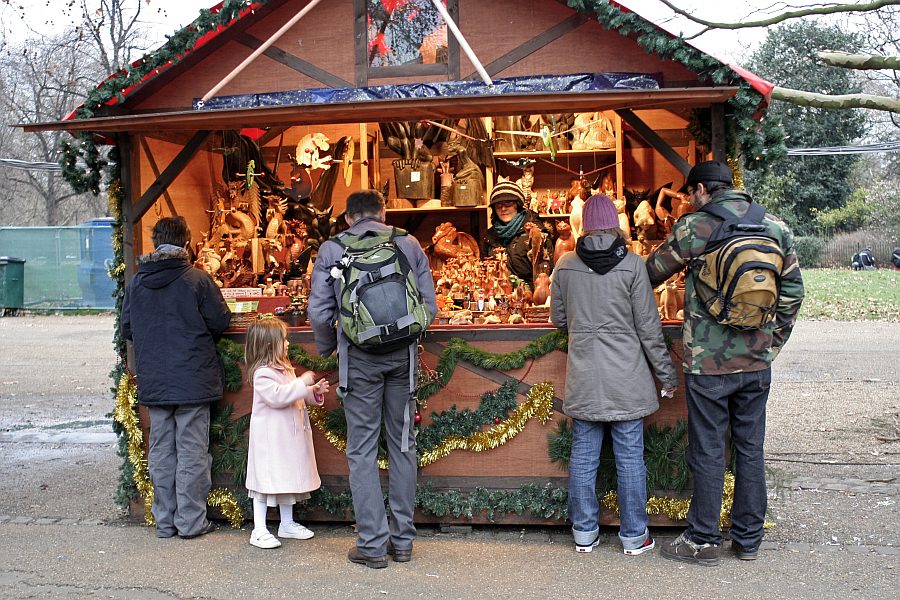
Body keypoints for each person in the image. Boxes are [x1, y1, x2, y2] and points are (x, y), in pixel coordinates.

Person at [645, 161, 804, 566]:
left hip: (708, 365)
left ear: (701, 190)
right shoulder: (775, 226)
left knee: (709, 450)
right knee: (750, 449)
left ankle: (702, 540)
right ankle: (748, 539)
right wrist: (771, 345)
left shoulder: (695, 227)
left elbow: (650, 272)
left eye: (688, 194)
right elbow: (793, 294)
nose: (688, 200)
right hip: (756, 364)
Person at [307, 190, 437, 569]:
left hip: (358, 359)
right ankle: (404, 542)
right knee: (402, 445)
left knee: (362, 451)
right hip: (402, 359)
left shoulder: (333, 249)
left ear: (348, 218)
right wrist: (405, 334)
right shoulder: (408, 242)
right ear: (384, 212)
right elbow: (429, 307)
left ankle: (372, 545)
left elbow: (318, 310)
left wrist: (327, 346)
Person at [551, 194, 678, 555]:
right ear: (616, 225)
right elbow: (650, 329)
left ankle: (584, 533)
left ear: (584, 226)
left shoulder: (565, 265)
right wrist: (667, 375)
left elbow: (558, 319)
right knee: (629, 458)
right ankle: (635, 536)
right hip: (628, 379)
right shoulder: (634, 265)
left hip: (585, 377)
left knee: (584, 456)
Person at [120, 216, 232, 539]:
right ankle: (191, 522)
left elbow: (127, 329)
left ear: (155, 244)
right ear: (186, 243)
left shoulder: (137, 284)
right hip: (193, 381)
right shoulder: (197, 280)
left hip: (154, 380)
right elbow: (220, 321)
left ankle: (165, 521)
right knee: (192, 451)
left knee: (161, 450)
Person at [243, 317, 330, 549]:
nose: (288, 344)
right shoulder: (262, 374)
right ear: (270, 345)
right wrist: (302, 382)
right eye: (284, 340)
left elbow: (294, 395)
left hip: (288, 438)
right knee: (264, 482)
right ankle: (259, 529)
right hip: (270, 441)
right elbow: (278, 397)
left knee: (287, 477)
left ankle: (287, 522)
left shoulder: (285, 369)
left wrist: (312, 391)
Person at [482, 180, 553, 288]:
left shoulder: (536, 233)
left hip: (530, 299)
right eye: (498, 205)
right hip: (497, 296)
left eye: (508, 203)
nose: (503, 208)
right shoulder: (489, 237)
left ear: (518, 205)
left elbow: (546, 272)